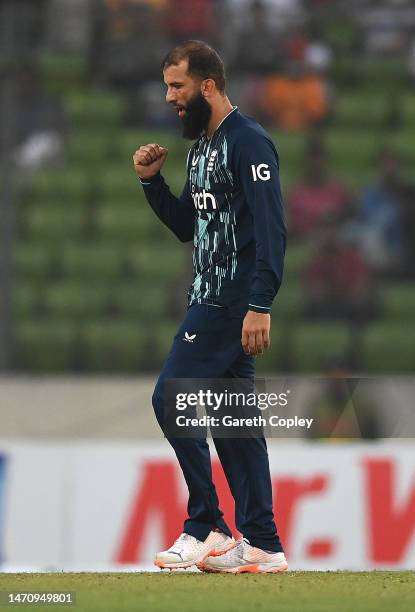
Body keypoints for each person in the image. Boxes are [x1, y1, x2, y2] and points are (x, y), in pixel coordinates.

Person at [133, 40, 288, 574]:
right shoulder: (202, 147)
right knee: (234, 424)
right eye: (166, 88)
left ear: (207, 85)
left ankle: (206, 524)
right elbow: (187, 229)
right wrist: (153, 185)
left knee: (170, 397)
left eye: (176, 87)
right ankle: (263, 543)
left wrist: (260, 302)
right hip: (211, 296)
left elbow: (272, 229)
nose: (170, 98)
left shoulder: (248, 142)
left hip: (229, 302)